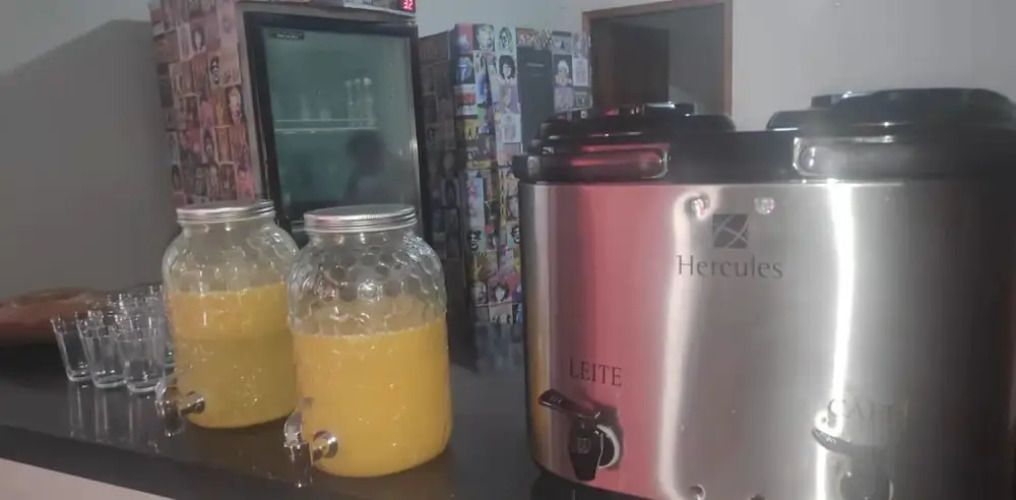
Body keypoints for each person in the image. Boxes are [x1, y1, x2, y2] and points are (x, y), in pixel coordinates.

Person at [343, 130, 418, 206]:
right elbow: (349, 206)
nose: (359, 162)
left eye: (365, 154)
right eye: (356, 158)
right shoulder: (355, 180)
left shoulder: (410, 172)